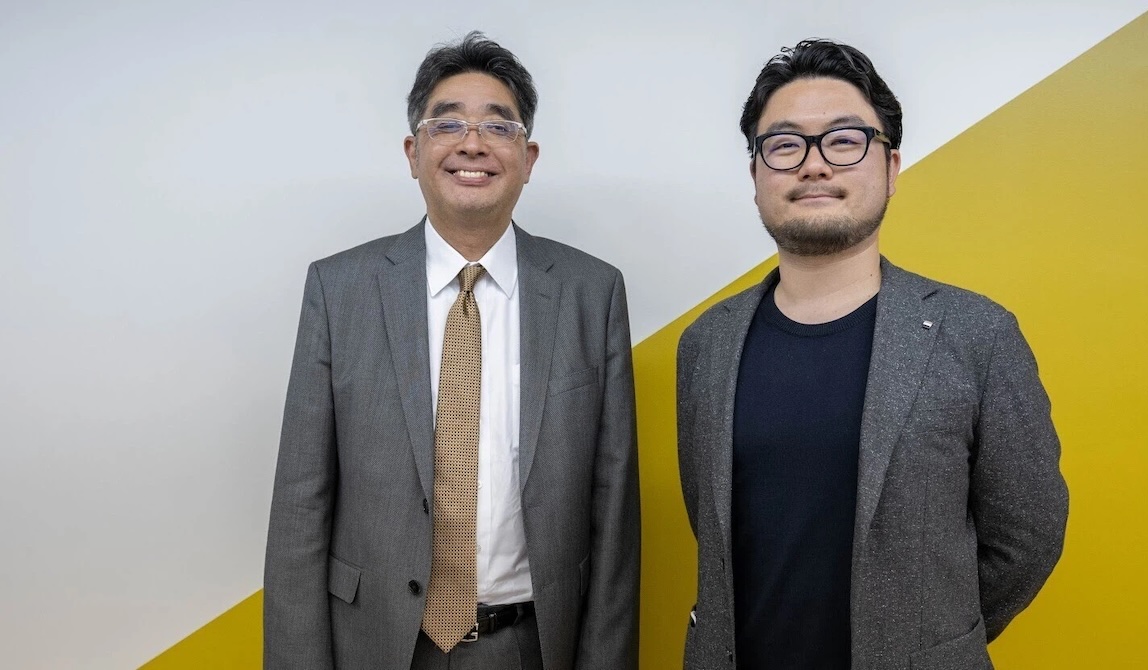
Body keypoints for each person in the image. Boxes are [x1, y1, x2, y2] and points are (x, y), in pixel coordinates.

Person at [676, 38, 1068, 670]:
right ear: (755, 177)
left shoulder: (978, 334)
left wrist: (933, 638)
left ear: (891, 167)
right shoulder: (706, 344)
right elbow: (712, 527)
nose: (814, 165)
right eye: (785, 145)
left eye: (844, 140)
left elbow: (1026, 536)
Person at [265, 31, 639, 670]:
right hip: (376, 645)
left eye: (498, 126)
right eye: (447, 124)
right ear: (413, 153)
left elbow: (615, 511)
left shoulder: (591, 292)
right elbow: (301, 503)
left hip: (531, 644)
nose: (472, 143)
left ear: (528, 157)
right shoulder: (338, 289)